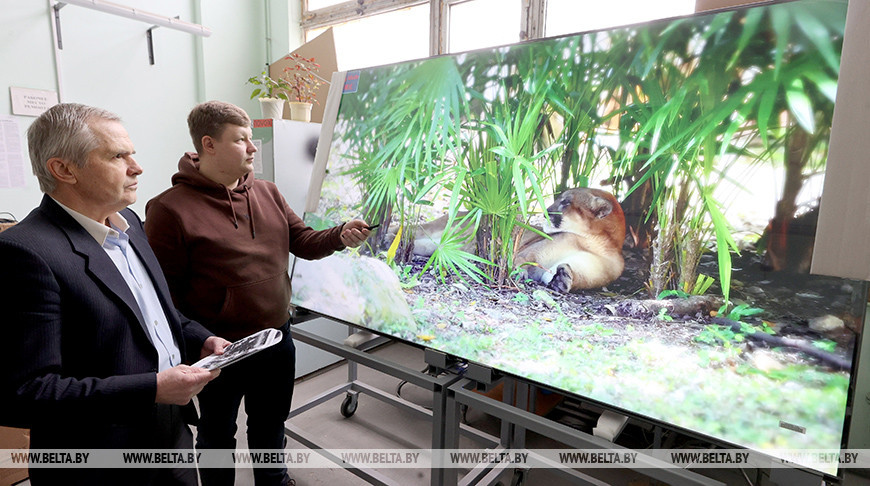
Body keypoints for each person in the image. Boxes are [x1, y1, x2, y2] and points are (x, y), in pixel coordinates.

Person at [0, 103, 232, 485]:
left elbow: (154, 313)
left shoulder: (131, 224)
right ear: (64, 169)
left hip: (170, 437)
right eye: (117, 156)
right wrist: (153, 389)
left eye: (133, 154)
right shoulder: (27, 253)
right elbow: (25, 392)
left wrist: (199, 338)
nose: (136, 167)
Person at [144, 100, 371, 486]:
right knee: (217, 433)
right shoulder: (170, 210)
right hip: (218, 347)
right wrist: (195, 343)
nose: (253, 148)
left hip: (276, 336)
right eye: (242, 139)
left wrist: (339, 234)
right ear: (208, 145)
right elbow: (164, 294)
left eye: (251, 139)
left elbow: (303, 240)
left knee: (270, 423)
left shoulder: (267, 192)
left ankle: (274, 480)